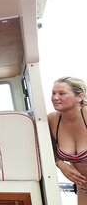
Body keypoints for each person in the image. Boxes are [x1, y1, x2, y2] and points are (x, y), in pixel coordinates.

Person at [48, 76, 87, 204]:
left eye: (62, 93)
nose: (55, 97)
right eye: (53, 93)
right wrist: (60, 163)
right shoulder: (52, 120)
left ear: (80, 97)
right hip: (83, 188)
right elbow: (49, 148)